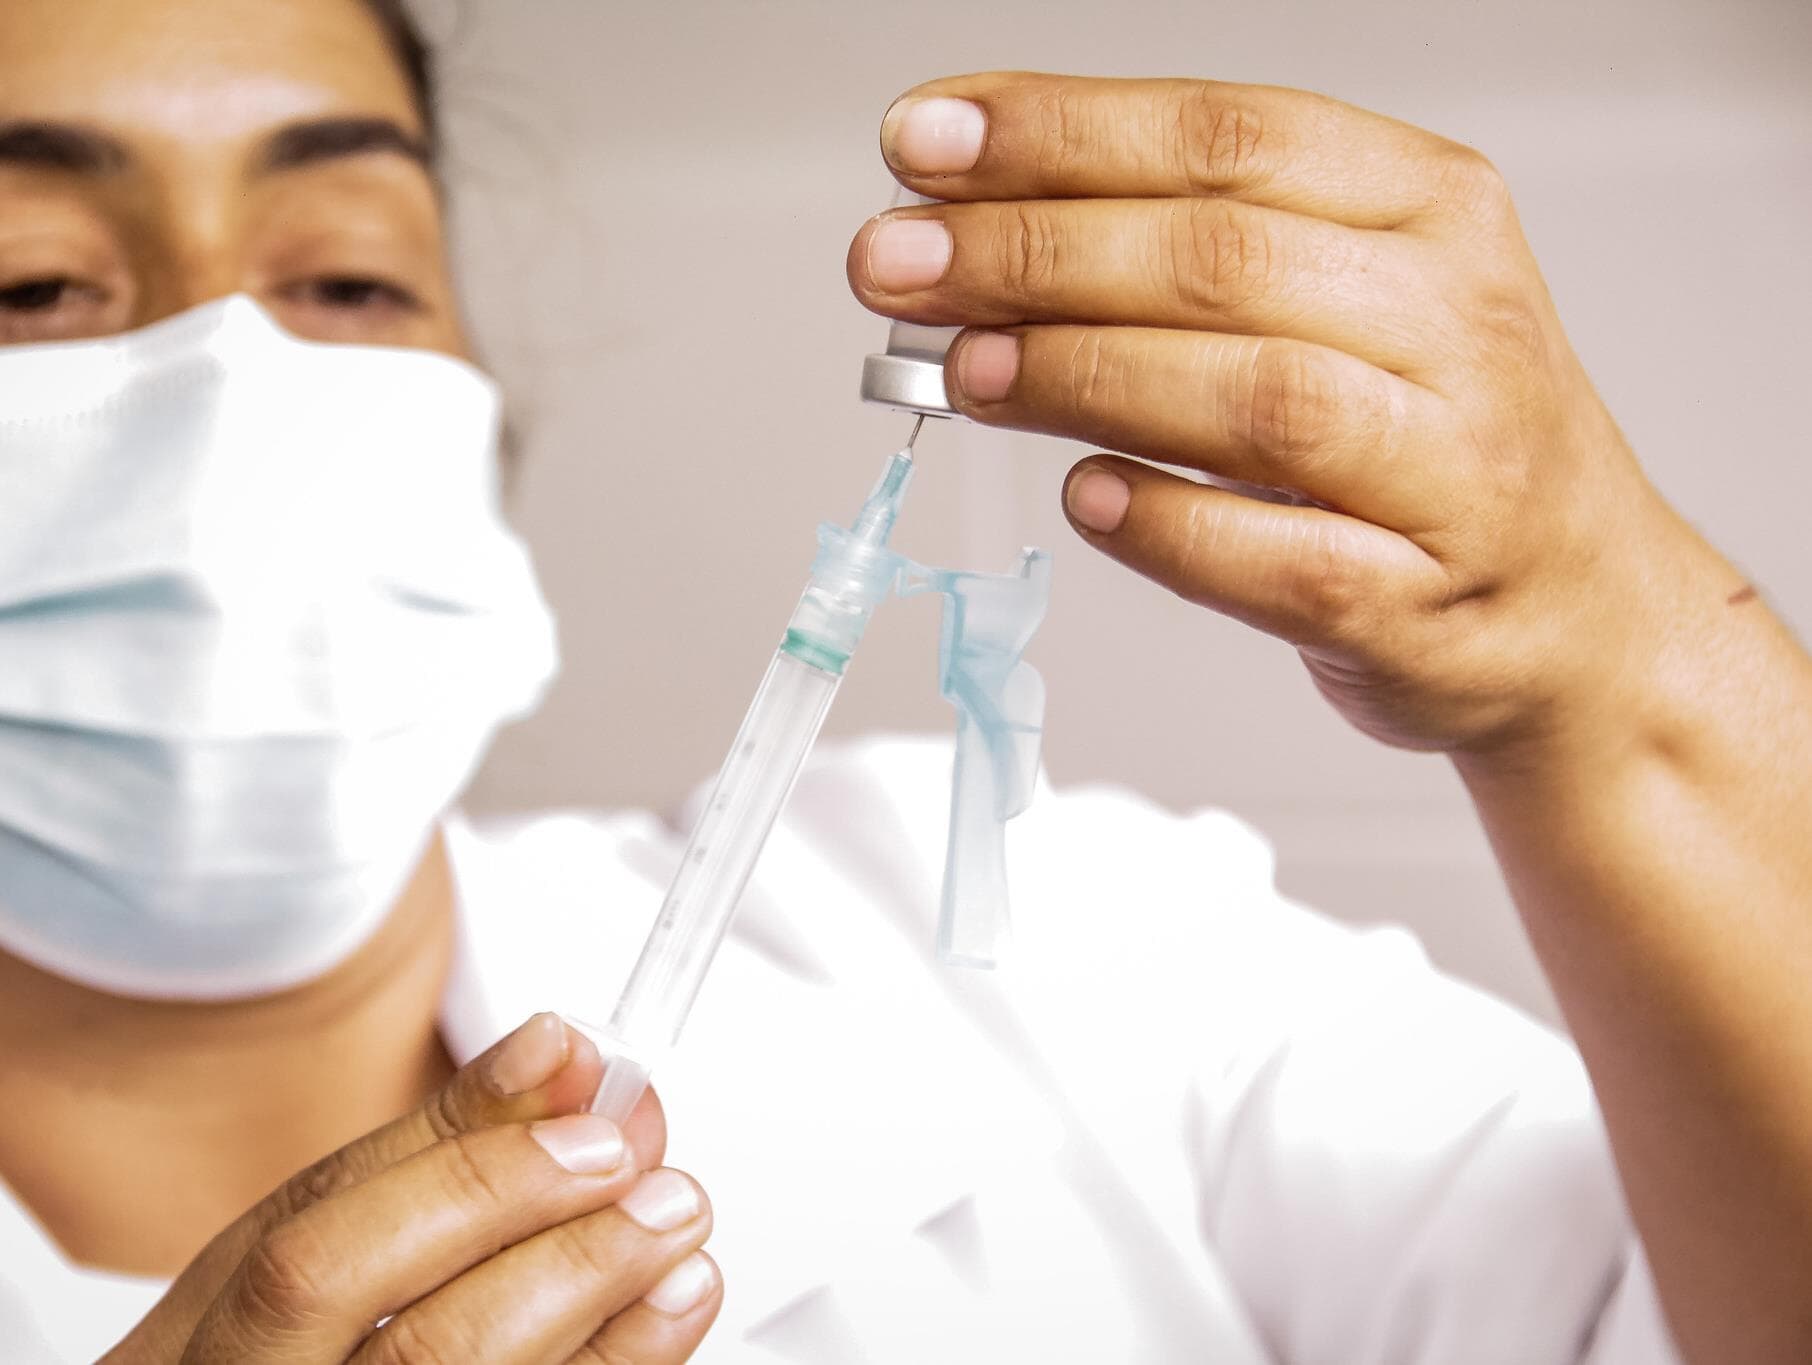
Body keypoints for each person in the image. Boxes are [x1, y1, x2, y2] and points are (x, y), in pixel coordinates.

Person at [0, 1, 1806, 1362]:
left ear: (491, 411)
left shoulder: (1025, 926)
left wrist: (1630, 663)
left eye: (347, 278)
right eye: (32, 284)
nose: (232, 377)